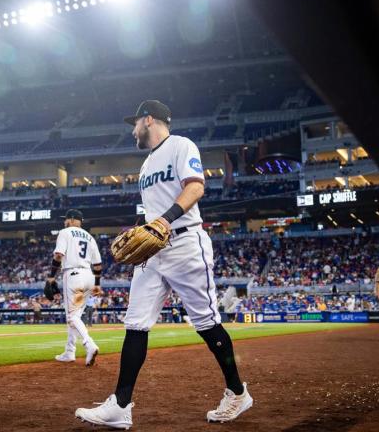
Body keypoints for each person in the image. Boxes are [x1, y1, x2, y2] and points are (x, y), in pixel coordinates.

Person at [75, 100, 252, 429]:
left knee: (206, 322)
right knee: (135, 323)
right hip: (153, 250)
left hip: (185, 242)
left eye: (135, 124)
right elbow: (147, 213)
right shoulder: (145, 166)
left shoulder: (180, 145)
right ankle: (121, 405)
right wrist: (138, 232)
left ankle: (238, 393)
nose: (132, 131)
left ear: (149, 120)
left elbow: (196, 186)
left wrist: (165, 221)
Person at [50, 209, 103, 366]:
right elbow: (98, 264)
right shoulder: (90, 237)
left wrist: (51, 276)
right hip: (89, 277)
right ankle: (69, 352)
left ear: (72, 219)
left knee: (72, 316)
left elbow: (58, 255)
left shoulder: (65, 232)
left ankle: (89, 344)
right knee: (75, 316)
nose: (64, 222)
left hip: (73, 276)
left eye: (66, 219)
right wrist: (97, 285)